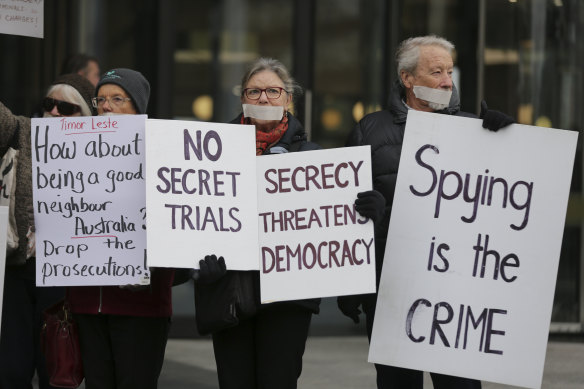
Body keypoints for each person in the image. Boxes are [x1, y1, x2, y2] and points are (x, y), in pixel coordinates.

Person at [193, 57, 384, 389]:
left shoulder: (312, 157)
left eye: (272, 91)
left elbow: (333, 223)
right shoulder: (209, 154)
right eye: (254, 91)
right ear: (242, 98)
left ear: (287, 98)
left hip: (288, 300)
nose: (263, 99)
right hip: (229, 289)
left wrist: (369, 207)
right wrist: (198, 264)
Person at [337, 35, 514, 389]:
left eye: (449, 71)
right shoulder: (370, 131)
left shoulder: (476, 130)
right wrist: (351, 284)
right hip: (393, 289)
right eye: (436, 72)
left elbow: (505, 204)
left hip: (456, 293)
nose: (448, 80)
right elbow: (345, 212)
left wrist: (507, 141)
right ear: (408, 79)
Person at [65, 68, 174, 389]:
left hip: (141, 306)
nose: (106, 106)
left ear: (138, 107)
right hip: (88, 303)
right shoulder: (73, 153)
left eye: (117, 99)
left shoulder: (164, 154)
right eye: (101, 100)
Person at [0, 74, 95, 389]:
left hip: (64, 279)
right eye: (49, 104)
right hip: (18, 268)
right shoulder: (26, 131)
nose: (55, 112)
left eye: (66, 108)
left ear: (85, 116)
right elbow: (4, 123)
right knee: (11, 371)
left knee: (57, 372)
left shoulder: (104, 152)